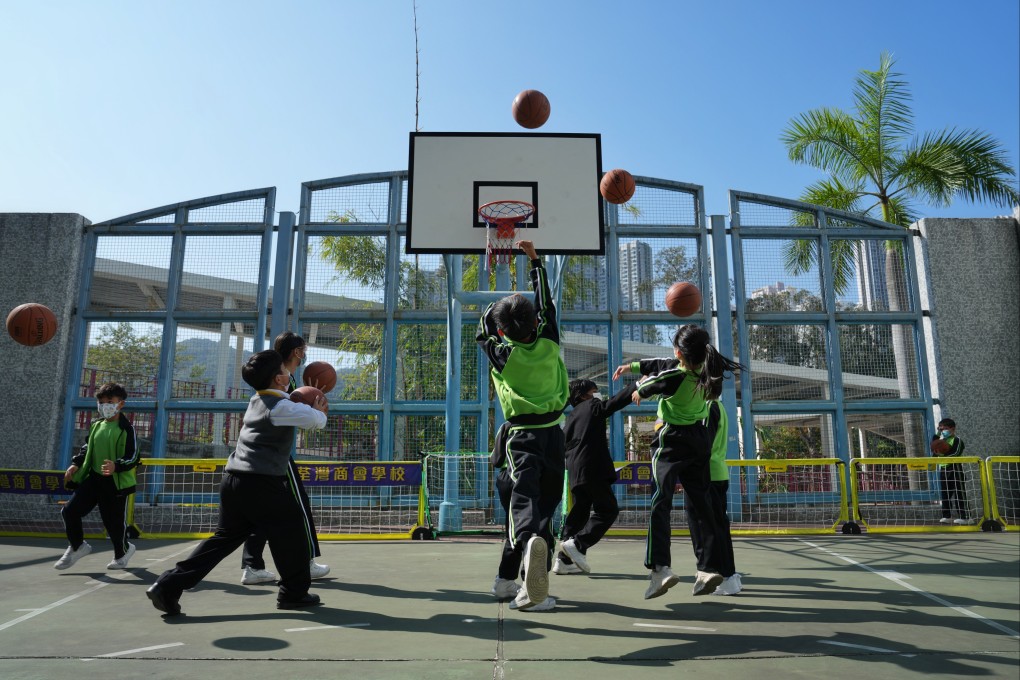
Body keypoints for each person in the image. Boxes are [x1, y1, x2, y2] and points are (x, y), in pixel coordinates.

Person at [146, 350, 328, 616]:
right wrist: (319, 408)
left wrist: (306, 395)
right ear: (279, 379)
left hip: (233, 480)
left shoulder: (257, 399)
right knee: (293, 532)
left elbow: (292, 401)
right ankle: (294, 593)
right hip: (261, 483)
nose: (290, 374)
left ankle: (168, 584)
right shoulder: (281, 407)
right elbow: (315, 421)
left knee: (224, 539)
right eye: (286, 370)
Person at [612, 324, 742, 600]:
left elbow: (650, 383)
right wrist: (632, 365)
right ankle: (707, 568)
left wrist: (639, 390)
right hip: (698, 441)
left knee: (661, 501)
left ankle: (660, 568)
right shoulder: (708, 370)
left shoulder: (674, 376)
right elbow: (660, 364)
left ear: (681, 354)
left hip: (672, 439)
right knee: (702, 505)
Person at [477, 239, 569, 612]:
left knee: (524, 510)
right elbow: (546, 303)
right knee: (543, 511)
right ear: (535, 322)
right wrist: (535, 260)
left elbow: (483, 329)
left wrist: (498, 310)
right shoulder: (549, 340)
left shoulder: (501, 354)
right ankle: (508, 580)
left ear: (502, 331)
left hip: (520, 438)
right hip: (554, 436)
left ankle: (525, 584)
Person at [240, 331, 331, 585]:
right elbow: (298, 415)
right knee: (298, 506)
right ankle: (305, 562)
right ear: (297, 352)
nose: (306, 354)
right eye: (304, 349)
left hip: (251, 457)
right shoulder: (282, 380)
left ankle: (252, 565)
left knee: (254, 516)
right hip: (271, 459)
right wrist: (314, 406)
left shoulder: (276, 376)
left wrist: (309, 396)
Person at [554, 378, 636, 575]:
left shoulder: (572, 416)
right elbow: (614, 403)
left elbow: (563, 444)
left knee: (580, 511)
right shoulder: (591, 406)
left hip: (575, 472)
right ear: (583, 395)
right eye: (593, 392)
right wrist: (637, 386)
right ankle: (578, 544)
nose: (596, 395)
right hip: (592, 468)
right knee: (607, 510)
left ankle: (563, 559)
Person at [55, 382, 140, 571]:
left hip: (115, 483)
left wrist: (116, 466)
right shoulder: (96, 425)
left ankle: (123, 552)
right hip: (93, 479)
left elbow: (133, 457)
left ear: (121, 404)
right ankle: (78, 546)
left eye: (110, 401)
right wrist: (76, 464)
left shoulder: (127, 429)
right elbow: (87, 448)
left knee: (114, 523)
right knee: (69, 511)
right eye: (101, 402)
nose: (104, 406)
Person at [489, 426, 555, 612]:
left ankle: (504, 581)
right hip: (529, 478)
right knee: (539, 529)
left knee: (515, 529)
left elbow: (495, 459)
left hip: (505, 478)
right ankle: (534, 591)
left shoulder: (507, 425)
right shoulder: (545, 424)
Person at [695, 398, 741, 596]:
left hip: (710, 475)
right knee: (719, 528)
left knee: (712, 529)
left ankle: (726, 576)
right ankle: (730, 575)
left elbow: (705, 443)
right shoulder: (717, 405)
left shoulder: (708, 406)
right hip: (716, 473)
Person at [932, 418, 970, 525]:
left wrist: (942, 455)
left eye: (946, 429)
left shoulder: (957, 440)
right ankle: (946, 516)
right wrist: (938, 433)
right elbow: (933, 446)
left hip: (955, 469)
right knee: (945, 494)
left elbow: (955, 453)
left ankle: (966, 517)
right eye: (941, 429)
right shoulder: (941, 442)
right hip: (943, 470)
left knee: (959, 494)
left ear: (953, 429)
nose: (944, 431)